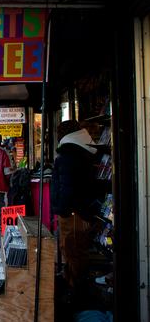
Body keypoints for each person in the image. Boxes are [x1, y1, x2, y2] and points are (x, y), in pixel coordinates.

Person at [50, 120, 99, 291]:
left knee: (72, 249)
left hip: (72, 212)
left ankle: (76, 289)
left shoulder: (68, 155)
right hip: (80, 210)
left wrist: (61, 208)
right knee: (75, 250)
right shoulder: (80, 151)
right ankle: (75, 284)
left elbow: (67, 187)